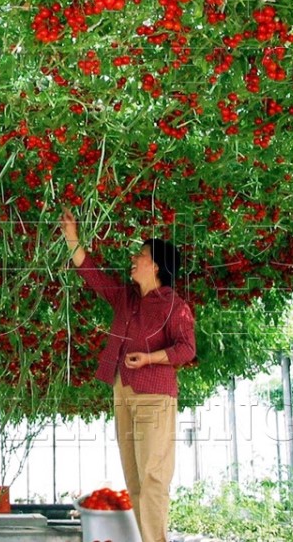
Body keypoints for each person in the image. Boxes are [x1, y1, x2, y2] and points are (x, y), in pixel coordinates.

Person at [61, 208, 196, 542]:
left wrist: (149, 358)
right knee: (134, 477)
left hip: (155, 394)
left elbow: (186, 348)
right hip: (123, 392)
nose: (134, 258)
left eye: (142, 254)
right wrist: (72, 239)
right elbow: (93, 275)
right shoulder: (126, 298)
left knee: (153, 475)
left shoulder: (173, 305)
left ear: (157, 267)